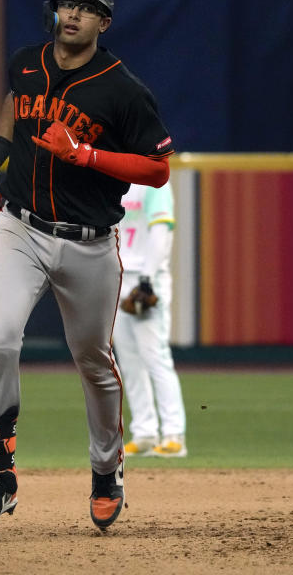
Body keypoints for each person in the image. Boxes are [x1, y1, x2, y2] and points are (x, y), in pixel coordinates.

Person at [0, 0, 174, 533]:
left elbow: (157, 169)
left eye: (86, 6)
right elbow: (16, 100)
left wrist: (84, 155)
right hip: (21, 228)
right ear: (55, 11)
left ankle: (107, 473)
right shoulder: (27, 62)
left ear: (103, 21)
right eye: (66, 3)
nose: (74, 12)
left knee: (94, 363)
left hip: (88, 243)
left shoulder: (122, 88)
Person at [115, 182, 188, 458]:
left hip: (146, 278)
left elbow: (161, 231)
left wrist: (147, 277)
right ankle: (145, 432)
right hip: (120, 275)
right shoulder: (117, 179)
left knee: (155, 356)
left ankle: (174, 434)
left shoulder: (155, 182)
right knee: (129, 360)